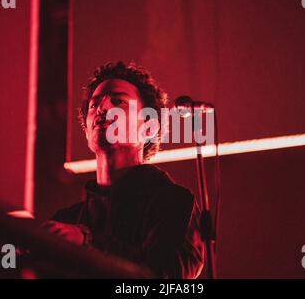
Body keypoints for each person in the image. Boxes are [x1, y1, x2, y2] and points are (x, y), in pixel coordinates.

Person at [43, 61, 205, 278]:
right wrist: (12, 251)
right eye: (94, 105)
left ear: (149, 127)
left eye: (118, 101)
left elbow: (166, 279)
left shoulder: (174, 202)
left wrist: (88, 242)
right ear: (87, 131)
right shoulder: (67, 219)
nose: (102, 108)